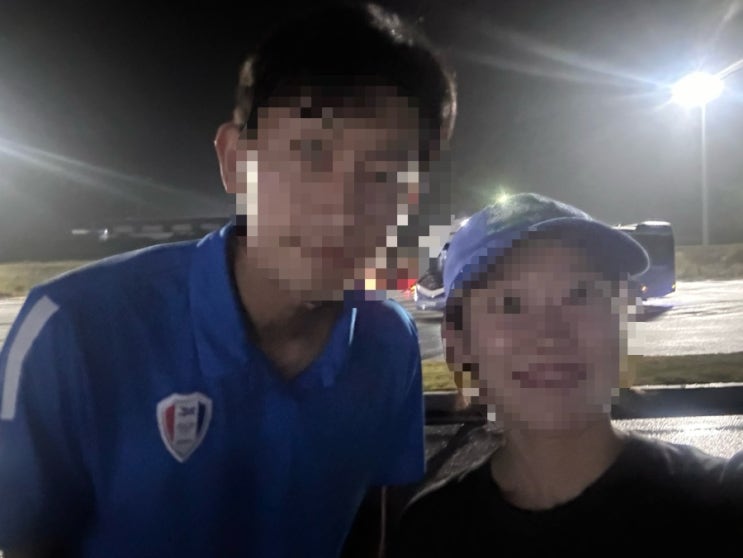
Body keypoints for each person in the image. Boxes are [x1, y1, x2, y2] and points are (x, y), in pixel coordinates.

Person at [0, 3, 457, 557]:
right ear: (235, 160)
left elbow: (365, 520)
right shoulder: (73, 329)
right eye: (311, 154)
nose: (341, 206)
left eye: (383, 173)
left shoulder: (388, 343)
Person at [388, 193, 743, 555]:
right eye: (511, 304)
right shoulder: (430, 532)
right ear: (459, 342)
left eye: (580, 294)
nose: (550, 333)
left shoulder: (721, 506)